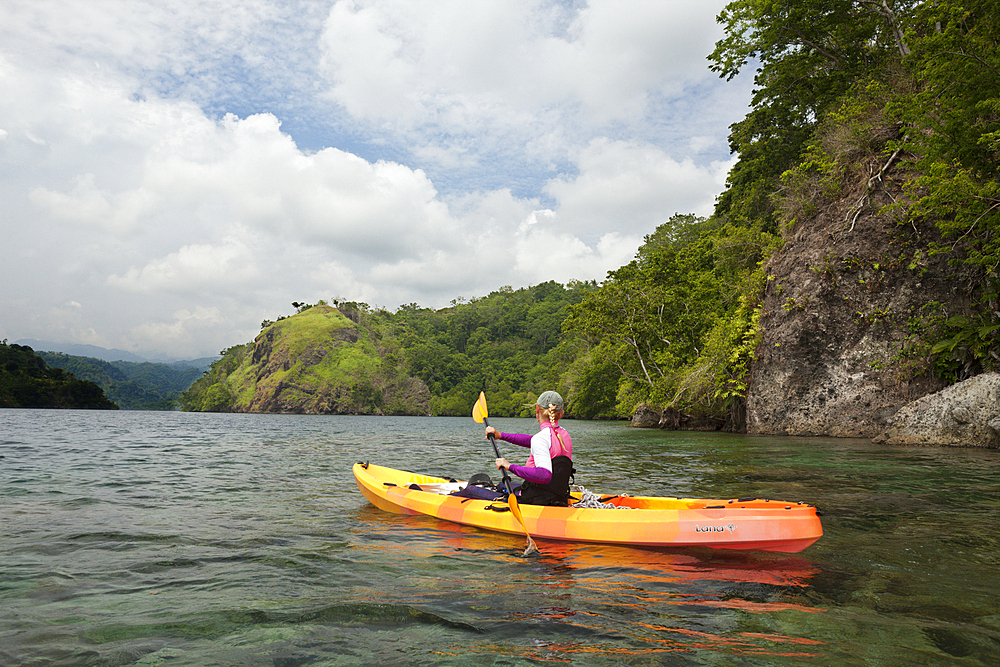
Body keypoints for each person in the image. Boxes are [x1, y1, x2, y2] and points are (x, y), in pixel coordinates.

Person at [487, 390, 574, 506]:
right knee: (501, 486)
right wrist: (501, 435)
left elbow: (544, 475)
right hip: (557, 495)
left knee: (471, 491)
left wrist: (509, 466)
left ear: (537, 409)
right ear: (561, 413)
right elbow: (532, 441)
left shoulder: (542, 438)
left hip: (536, 500)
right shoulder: (564, 435)